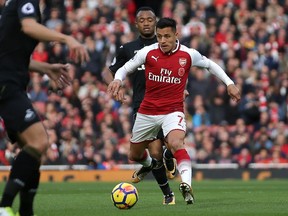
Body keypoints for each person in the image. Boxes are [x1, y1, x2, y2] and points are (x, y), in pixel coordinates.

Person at [108, 17, 241, 204]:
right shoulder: (148, 52)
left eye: (167, 36)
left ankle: (186, 185)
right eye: (160, 36)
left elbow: (210, 65)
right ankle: (151, 164)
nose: (162, 41)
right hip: (147, 111)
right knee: (134, 155)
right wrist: (117, 80)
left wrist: (229, 83)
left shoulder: (188, 55)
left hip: (173, 111)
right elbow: (125, 68)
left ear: (176, 35)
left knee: (177, 144)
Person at [0, 0, 89, 215]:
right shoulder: (26, 2)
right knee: (39, 141)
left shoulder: (21, 8)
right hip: (6, 82)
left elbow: (11, 53)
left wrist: (44, 68)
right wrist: (67, 38)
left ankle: (26, 211)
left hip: (11, 81)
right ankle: (4, 206)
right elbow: (29, 27)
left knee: (33, 151)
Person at [102, 7, 176, 205]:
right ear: (136, 24)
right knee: (153, 153)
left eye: (149, 20)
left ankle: (165, 159)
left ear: (155, 22)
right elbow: (107, 72)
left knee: (173, 147)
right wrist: (114, 85)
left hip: (168, 104)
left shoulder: (165, 44)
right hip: (142, 106)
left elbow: (180, 67)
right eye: (141, 20)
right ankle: (168, 194)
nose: (146, 23)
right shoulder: (127, 48)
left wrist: (183, 88)